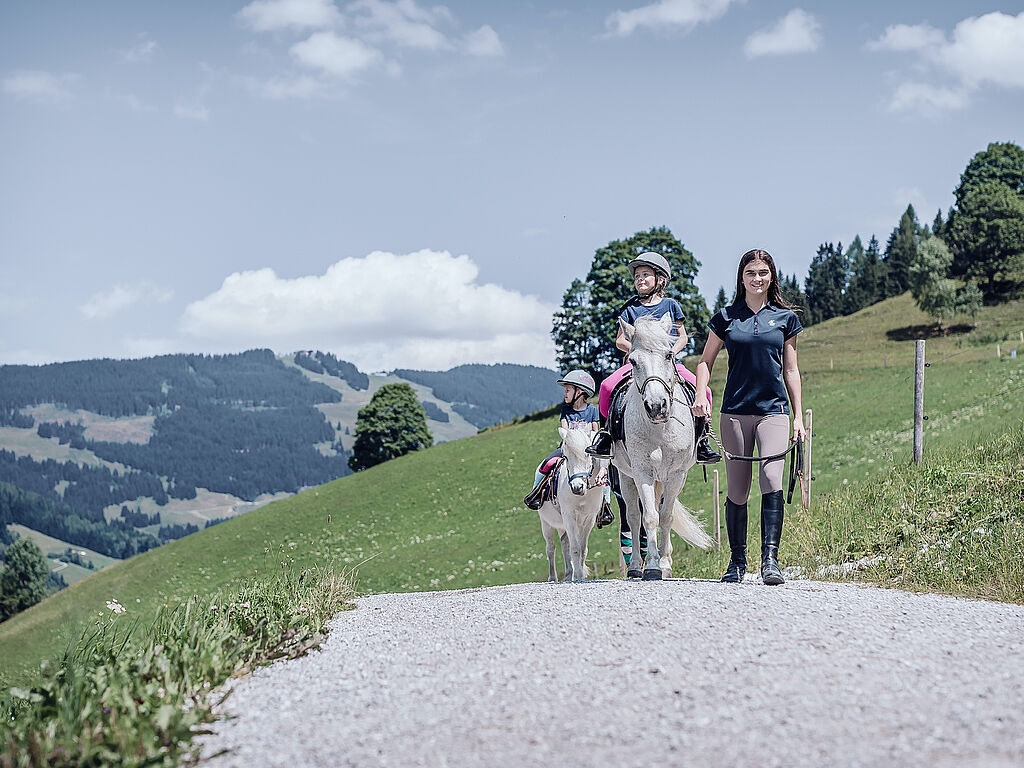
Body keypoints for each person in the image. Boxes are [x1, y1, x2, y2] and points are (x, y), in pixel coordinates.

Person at [692, 248, 805, 586]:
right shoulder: (726, 317)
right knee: (738, 490)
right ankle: (737, 561)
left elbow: (791, 370)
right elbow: (704, 361)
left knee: (770, 479)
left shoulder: (785, 319)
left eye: (763, 273)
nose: (758, 278)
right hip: (734, 413)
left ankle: (770, 560)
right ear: (741, 278)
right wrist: (700, 394)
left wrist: (798, 417)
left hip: (774, 411)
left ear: (772, 277)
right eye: (751, 273)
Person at [586, 252, 720, 464]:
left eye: (645, 275)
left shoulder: (670, 305)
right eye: (637, 276)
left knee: (705, 391)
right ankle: (606, 436)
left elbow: (683, 336)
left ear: (660, 279)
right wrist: (640, 352)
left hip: (668, 362)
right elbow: (620, 340)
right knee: (606, 387)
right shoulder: (630, 309)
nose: (640, 279)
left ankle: (702, 440)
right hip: (639, 364)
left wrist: (669, 353)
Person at [523, 371, 613, 525]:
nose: (564, 393)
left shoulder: (592, 410)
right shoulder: (565, 410)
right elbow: (565, 432)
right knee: (545, 465)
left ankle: (604, 506)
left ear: (579, 392)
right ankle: (536, 494)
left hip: (588, 452)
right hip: (569, 450)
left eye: (567, 390)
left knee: (603, 475)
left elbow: (595, 432)